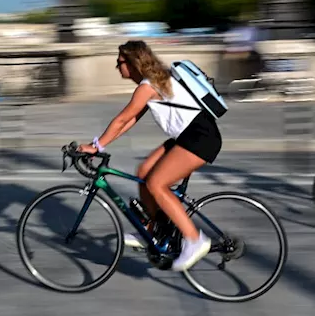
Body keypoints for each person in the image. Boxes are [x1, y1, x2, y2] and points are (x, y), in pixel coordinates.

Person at [77, 40, 221, 272]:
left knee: (157, 184)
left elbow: (122, 119)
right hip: (187, 137)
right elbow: (130, 120)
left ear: (132, 62)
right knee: (144, 173)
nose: (117, 67)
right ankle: (153, 229)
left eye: (119, 62)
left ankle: (195, 240)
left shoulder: (148, 86)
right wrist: (100, 145)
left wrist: (96, 146)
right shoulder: (154, 81)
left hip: (200, 138)